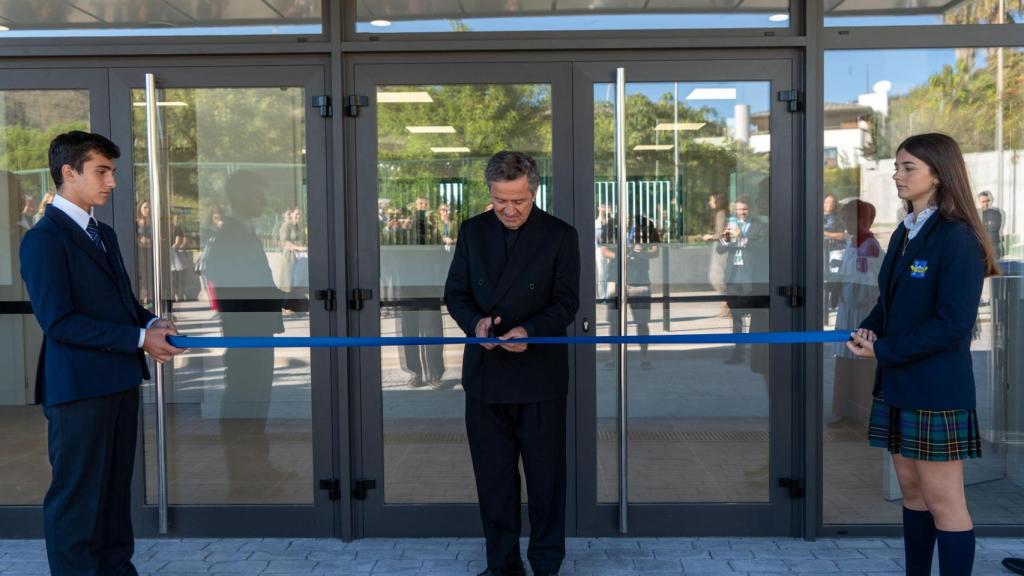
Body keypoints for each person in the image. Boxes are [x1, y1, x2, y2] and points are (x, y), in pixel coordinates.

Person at [19, 130, 183, 575]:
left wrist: (149, 322)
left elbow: (122, 303)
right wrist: (137, 339)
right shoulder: (44, 239)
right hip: (77, 389)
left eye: (112, 171)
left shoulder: (102, 233)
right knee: (77, 498)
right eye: (102, 171)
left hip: (118, 381)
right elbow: (59, 321)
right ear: (68, 173)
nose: (112, 182)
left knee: (113, 492)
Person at [847, 133, 1000, 576]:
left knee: (944, 501)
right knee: (912, 494)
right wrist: (870, 330)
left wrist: (885, 350)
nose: (897, 174)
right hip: (897, 384)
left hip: (936, 389)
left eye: (908, 167)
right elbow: (889, 303)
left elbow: (952, 324)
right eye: (897, 166)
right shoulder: (904, 231)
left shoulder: (957, 238)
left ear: (938, 173)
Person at [444, 151, 579, 576]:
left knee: (545, 480)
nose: (509, 210)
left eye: (518, 201)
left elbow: (566, 302)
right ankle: (501, 565)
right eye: (500, 200)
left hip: (539, 376)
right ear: (491, 193)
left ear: (534, 191)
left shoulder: (560, 234)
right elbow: (456, 294)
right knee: (494, 479)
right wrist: (475, 324)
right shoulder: (472, 231)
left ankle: (545, 565)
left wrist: (531, 332)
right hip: (486, 376)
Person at [203, 170, 290, 499]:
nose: (263, 201)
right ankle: (243, 477)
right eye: (258, 194)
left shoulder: (243, 233)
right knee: (244, 401)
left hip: (256, 330)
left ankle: (258, 468)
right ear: (241, 196)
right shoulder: (230, 237)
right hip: (244, 333)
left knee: (256, 401)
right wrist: (283, 299)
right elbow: (235, 288)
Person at [828, 198, 883, 428]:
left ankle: (861, 413)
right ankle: (846, 412)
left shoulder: (869, 246)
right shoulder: (854, 243)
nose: (845, 222)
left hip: (860, 311)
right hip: (848, 307)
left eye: (848, 218)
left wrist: (845, 290)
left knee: (859, 361)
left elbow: (866, 284)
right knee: (846, 360)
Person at [717, 196, 768, 365]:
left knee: (755, 315)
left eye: (744, 208)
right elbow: (720, 249)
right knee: (736, 316)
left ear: (751, 209)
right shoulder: (731, 225)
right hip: (734, 275)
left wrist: (740, 238)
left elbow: (759, 246)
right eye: (739, 209)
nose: (741, 212)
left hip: (751, 275)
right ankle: (738, 353)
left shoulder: (760, 226)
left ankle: (756, 351)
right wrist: (725, 237)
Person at [823, 193, 846, 318]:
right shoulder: (816, 216)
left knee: (835, 280)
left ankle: (834, 303)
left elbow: (841, 236)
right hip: (821, 252)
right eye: (826, 202)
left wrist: (824, 233)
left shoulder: (839, 218)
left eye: (832, 202)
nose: (829, 205)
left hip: (836, 252)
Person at [977, 191, 1003, 258]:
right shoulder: (975, 213)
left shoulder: (996, 213)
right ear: (979, 202)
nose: (986, 204)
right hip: (979, 246)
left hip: (993, 247)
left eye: (987, 201)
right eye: (983, 202)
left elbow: (995, 228)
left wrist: (982, 226)